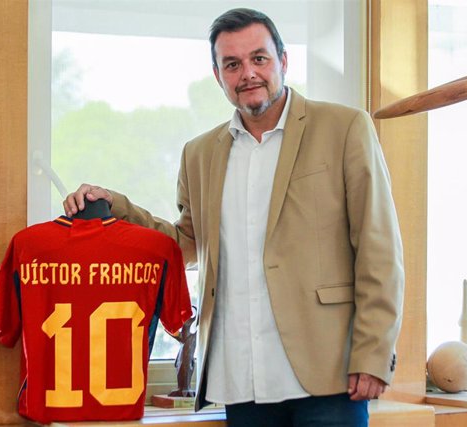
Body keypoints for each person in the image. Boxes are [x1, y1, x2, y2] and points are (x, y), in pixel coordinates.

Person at [64, 8, 404, 427]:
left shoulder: (345, 127)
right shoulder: (200, 153)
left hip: (328, 376)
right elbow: (185, 244)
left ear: (283, 60)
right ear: (218, 74)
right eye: (233, 64)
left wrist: (373, 353)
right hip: (242, 379)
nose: (248, 73)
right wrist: (115, 206)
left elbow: (379, 248)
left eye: (259, 58)